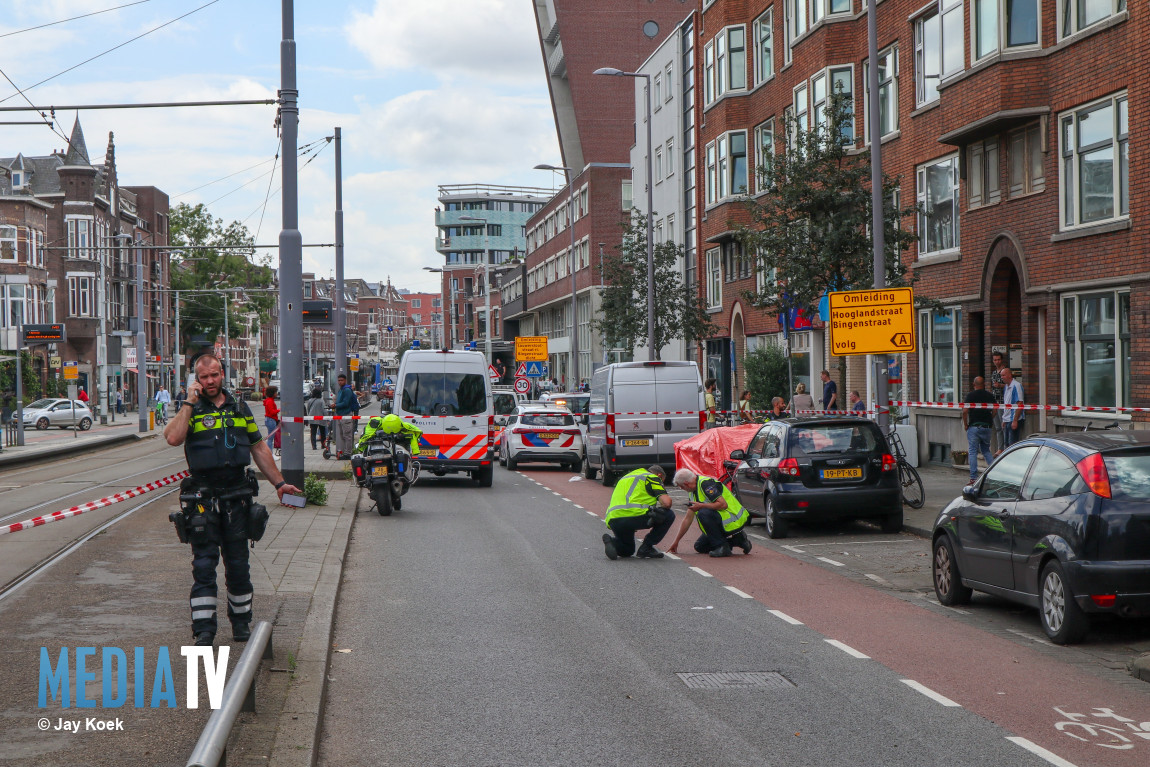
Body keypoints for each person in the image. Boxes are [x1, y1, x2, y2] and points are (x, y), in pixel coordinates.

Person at [164, 354, 300, 647]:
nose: (210, 381)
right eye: (204, 377)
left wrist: (279, 483)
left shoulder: (239, 407)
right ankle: (204, 630)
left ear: (222, 373)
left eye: (214, 375)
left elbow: (258, 447)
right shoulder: (191, 409)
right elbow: (173, 438)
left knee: (238, 564)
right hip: (202, 498)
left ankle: (241, 624)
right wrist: (188, 402)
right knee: (204, 566)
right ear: (196, 379)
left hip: (236, 496)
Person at [667, 469, 751, 558]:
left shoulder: (706, 484)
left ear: (686, 483)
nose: (682, 489)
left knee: (703, 513)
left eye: (681, 487)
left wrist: (701, 506)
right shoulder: (692, 492)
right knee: (700, 547)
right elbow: (688, 519)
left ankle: (721, 547)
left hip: (733, 520)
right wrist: (676, 541)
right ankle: (739, 541)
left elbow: (723, 505)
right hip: (722, 522)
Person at [601, 466, 676, 560]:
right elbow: (666, 503)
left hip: (614, 519)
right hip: (634, 516)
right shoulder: (652, 477)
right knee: (668, 515)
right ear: (659, 475)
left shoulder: (625, 478)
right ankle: (647, 547)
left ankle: (613, 542)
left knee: (627, 550)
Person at [963, 376, 996, 482]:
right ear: (984, 385)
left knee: (972, 451)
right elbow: (996, 408)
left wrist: (965, 424)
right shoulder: (989, 395)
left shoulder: (970, 395)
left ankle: (973, 478)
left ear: (974, 384)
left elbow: (965, 411)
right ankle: (995, 474)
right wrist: (990, 418)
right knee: (986, 450)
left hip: (974, 426)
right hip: (987, 427)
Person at [357, 413, 423, 455]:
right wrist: (415, 451)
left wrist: (361, 448)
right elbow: (413, 433)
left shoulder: (376, 422)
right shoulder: (404, 426)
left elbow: (366, 435)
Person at [333, 373, 357, 459]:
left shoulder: (346, 390)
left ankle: (348, 453)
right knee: (343, 435)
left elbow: (345, 403)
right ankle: (345, 452)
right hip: (340, 415)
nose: (340, 382)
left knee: (347, 435)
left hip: (346, 415)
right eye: (339, 380)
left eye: (341, 380)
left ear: (345, 380)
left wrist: (336, 405)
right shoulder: (341, 390)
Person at [1001, 367, 1024, 450]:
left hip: (1013, 419)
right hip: (1007, 419)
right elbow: (1006, 403)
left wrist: (1015, 420)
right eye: (1001, 375)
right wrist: (1004, 419)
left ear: (1009, 375)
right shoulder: (1006, 387)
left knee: (1012, 445)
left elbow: (1019, 403)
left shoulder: (1016, 386)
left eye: (1004, 375)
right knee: (1006, 445)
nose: (1002, 377)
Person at [989, 352, 1007, 450]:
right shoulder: (994, 373)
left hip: (1003, 403)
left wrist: (1000, 386)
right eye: (995, 360)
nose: (997, 362)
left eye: (998, 360)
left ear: (1002, 360)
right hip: (995, 403)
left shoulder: (1005, 372)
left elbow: (1010, 385)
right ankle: (1000, 448)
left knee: (1003, 426)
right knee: (998, 428)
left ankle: (1004, 448)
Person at [262, 386, 281, 454]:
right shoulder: (270, 401)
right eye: (275, 392)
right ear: (272, 393)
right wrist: (279, 410)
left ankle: (270, 453)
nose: (276, 394)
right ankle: (270, 454)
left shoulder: (269, 400)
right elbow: (272, 412)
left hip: (270, 420)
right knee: (270, 438)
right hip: (271, 420)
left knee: (270, 438)